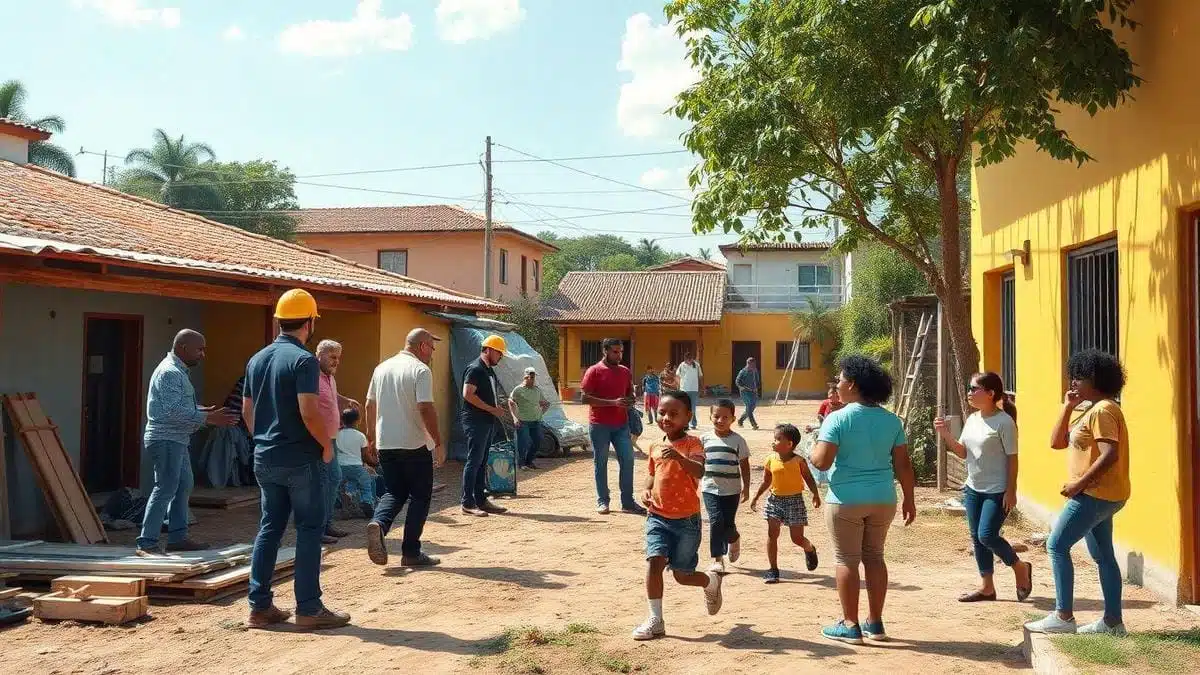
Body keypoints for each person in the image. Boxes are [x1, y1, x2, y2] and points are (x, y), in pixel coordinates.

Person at [244, 288, 349, 630]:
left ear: (279, 320)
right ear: (309, 322)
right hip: (301, 459)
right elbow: (308, 411)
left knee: (269, 529)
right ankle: (309, 608)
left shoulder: (257, 359)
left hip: (265, 456)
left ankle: (260, 607)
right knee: (308, 530)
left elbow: (248, 411)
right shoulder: (303, 360)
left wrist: (263, 439)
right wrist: (327, 445)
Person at [811, 355, 916, 645]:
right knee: (875, 557)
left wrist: (811, 448)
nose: (837, 384)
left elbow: (821, 462)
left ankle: (850, 624)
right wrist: (909, 499)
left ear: (853, 384)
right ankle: (876, 623)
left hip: (846, 498)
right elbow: (904, 466)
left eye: (840, 379)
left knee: (846, 560)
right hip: (884, 497)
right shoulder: (892, 420)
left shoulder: (837, 417)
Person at [1026, 350, 1131, 637]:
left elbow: (1110, 454)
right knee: (1103, 555)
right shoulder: (1089, 409)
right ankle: (1112, 623)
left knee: (1056, 546)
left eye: (1079, 377)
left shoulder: (1104, 410)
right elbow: (1056, 442)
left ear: (1096, 379)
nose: (1072, 381)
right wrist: (1067, 407)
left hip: (1093, 494)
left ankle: (1063, 616)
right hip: (1105, 495)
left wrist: (1078, 485)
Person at [632, 390, 723, 640]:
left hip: (687, 521)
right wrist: (646, 490)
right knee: (654, 562)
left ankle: (710, 582)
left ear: (688, 416)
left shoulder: (693, 443)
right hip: (657, 516)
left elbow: (699, 471)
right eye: (662, 412)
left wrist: (680, 457)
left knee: (682, 575)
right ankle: (656, 620)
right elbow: (652, 474)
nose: (666, 418)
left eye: (674, 414)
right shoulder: (655, 446)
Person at [934, 372, 1033, 603]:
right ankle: (987, 587)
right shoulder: (972, 419)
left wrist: (1011, 490)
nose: (969, 392)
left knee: (987, 535)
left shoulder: (1005, 422)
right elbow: (963, 453)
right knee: (977, 538)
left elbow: (1013, 459)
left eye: (974, 388)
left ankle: (1019, 567)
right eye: (969, 388)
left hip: (997, 490)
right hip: (973, 488)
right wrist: (945, 435)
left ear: (990, 393)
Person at [136, 329, 236, 555]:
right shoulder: (170, 372)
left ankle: (177, 538)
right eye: (199, 349)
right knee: (166, 488)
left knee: (183, 486)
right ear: (183, 348)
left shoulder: (178, 371)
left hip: (177, 439)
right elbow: (171, 412)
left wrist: (201, 411)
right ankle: (147, 542)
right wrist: (208, 418)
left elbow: (174, 407)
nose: (203, 355)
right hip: (167, 439)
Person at [365, 328, 446, 567]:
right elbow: (425, 408)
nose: (432, 353)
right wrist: (438, 442)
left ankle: (379, 523)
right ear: (422, 346)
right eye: (432, 347)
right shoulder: (421, 370)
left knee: (394, 492)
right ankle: (410, 552)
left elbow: (370, 403)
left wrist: (371, 437)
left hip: (386, 443)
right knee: (420, 496)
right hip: (414, 443)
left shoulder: (382, 368)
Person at [581, 338, 646, 515]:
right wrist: (613, 403)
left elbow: (628, 395)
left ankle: (627, 502)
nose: (619, 355)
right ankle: (603, 501)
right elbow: (584, 398)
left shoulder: (625, 372)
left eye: (621, 352)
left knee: (628, 461)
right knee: (600, 463)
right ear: (605, 351)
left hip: (621, 425)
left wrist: (630, 401)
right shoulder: (594, 371)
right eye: (615, 352)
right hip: (599, 425)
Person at [751, 423, 822, 583]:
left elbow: (809, 478)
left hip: (794, 501)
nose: (773, 442)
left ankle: (809, 548)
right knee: (772, 534)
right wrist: (756, 496)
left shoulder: (799, 461)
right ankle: (773, 570)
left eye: (777, 439)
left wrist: (815, 494)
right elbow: (766, 481)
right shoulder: (770, 459)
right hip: (774, 501)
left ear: (789, 444)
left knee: (796, 538)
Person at [315, 339, 361, 544]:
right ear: (319, 355)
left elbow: (331, 397)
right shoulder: (311, 378)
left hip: (331, 437)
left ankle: (326, 524)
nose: (336, 362)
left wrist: (344, 399)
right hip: (317, 439)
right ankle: (318, 527)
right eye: (332, 357)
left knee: (332, 479)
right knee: (326, 480)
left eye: (338, 358)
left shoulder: (329, 378)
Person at [460, 335, 510, 517]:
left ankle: (480, 500)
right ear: (488, 349)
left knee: (481, 462)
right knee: (474, 461)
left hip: (486, 421)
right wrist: (491, 409)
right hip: (476, 421)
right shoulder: (475, 369)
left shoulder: (488, 370)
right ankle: (467, 502)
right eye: (499, 353)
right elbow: (468, 394)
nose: (500, 357)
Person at [700, 399, 751, 573]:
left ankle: (734, 539)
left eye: (725, 417)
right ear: (710, 417)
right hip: (710, 488)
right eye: (716, 416)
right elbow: (697, 462)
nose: (720, 420)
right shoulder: (704, 439)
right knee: (716, 521)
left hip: (732, 490)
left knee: (728, 525)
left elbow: (744, 464)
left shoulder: (738, 440)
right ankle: (717, 558)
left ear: (733, 419)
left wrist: (747, 487)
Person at [335, 407, 376, 520]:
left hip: (339, 467)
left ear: (342, 420)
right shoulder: (360, 436)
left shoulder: (337, 434)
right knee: (366, 483)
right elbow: (365, 456)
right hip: (356, 466)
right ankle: (366, 501)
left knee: (341, 486)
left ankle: (348, 497)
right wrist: (374, 462)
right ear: (358, 421)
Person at [509, 367, 550, 470]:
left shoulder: (537, 390)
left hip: (536, 421)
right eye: (531, 377)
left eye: (534, 377)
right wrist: (514, 418)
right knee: (523, 442)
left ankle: (529, 461)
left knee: (537, 442)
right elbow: (510, 402)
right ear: (525, 377)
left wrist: (542, 411)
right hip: (523, 421)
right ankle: (522, 464)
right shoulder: (518, 389)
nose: (532, 379)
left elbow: (543, 402)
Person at [675, 353, 703, 429]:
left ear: (692, 358)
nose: (689, 361)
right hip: (684, 389)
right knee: (684, 408)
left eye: (690, 359)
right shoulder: (682, 365)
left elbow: (700, 376)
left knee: (693, 408)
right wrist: (678, 387)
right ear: (685, 359)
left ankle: (693, 423)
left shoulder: (696, 365)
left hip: (694, 389)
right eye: (687, 359)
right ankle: (685, 424)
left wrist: (701, 387)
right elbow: (677, 376)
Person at [734, 357, 761, 430]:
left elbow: (757, 381)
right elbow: (737, 381)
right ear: (748, 364)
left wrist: (757, 388)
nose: (753, 367)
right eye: (752, 365)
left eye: (754, 365)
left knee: (751, 408)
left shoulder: (755, 371)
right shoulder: (743, 371)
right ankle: (754, 424)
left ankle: (740, 420)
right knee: (749, 407)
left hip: (753, 392)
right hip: (745, 392)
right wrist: (741, 387)